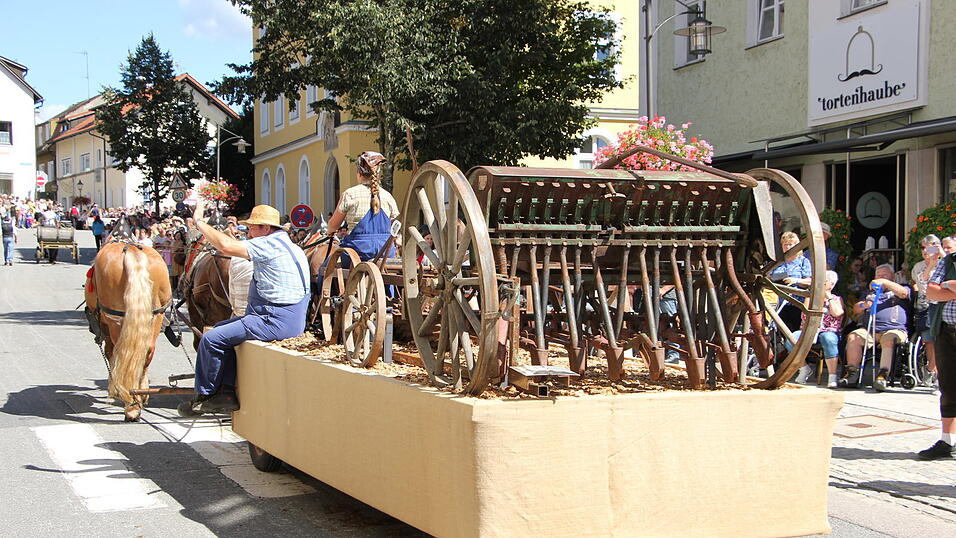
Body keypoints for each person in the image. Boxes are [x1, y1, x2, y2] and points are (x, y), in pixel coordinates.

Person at [178, 201, 311, 417]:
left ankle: (205, 396)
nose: (248, 234)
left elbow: (225, 246)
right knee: (221, 330)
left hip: (273, 319)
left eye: (252, 228)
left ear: (265, 228)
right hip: (289, 317)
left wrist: (199, 222)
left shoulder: (268, 244)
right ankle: (226, 392)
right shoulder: (292, 247)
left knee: (210, 339)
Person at [841, 263, 911, 391]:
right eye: (878, 275)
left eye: (884, 275)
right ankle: (852, 373)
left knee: (889, 339)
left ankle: (882, 375)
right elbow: (856, 309)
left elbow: (904, 293)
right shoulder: (869, 293)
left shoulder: (902, 287)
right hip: (870, 330)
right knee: (853, 337)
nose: (880, 277)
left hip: (894, 329)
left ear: (893, 276)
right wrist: (864, 305)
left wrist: (885, 282)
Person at [325, 151, 400, 261]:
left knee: (324, 266)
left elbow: (333, 225)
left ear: (359, 173)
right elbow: (396, 224)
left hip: (357, 252)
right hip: (385, 253)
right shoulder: (388, 196)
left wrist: (329, 231)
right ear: (377, 174)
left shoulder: (350, 194)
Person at [921, 245, 956, 459]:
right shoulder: (949, 261)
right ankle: (948, 441)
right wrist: (948, 286)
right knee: (949, 387)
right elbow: (931, 291)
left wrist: (948, 285)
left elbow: (939, 289)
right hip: (947, 331)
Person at [784, 271, 844, 388]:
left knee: (829, 339)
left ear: (831, 284)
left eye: (824, 281)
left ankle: (832, 376)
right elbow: (805, 315)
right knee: (791, 339)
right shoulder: (811, 297)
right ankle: (804, 368)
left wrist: (829, 298)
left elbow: (837, 313)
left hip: (828, 330)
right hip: (810, 330)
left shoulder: (837, 299)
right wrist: (812, 297)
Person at [768, 231, 812, 333]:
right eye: (785, 244)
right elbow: (767, 277)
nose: (788, 247)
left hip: (796, 302)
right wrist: (778, 277)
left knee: (795, 330)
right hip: (778, 302)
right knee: (778, 331)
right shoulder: (777, 262)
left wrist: (795, 280)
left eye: (791, 244)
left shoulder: (803, 261)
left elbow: (809, 281)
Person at [912, 235, 942, 376]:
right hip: (925, 307)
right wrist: (930, 265)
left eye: (929, 248)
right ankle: (932, 371)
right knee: (929, 340)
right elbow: (924, 287)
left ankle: (936, 371)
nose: (925, 251)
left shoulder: (945, 263)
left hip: (943, 307)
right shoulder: (918, 266)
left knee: (941, 341)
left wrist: (941, 256)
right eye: (923, 247)